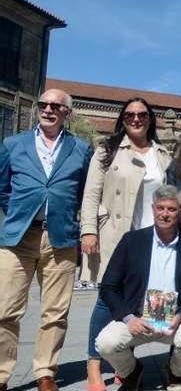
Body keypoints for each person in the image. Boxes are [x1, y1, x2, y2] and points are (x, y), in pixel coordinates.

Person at [0, 89, 92, 391]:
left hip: (61, 239)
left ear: (67, 112)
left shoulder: (81, 148)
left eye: (55, 106)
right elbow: (2, 188)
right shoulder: (13, 144)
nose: (48, 109)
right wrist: (18, 212)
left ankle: (45, 372)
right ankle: (1, 374)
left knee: (55, 311)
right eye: (44, 105)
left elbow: (82, 193)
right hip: (19, 237)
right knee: (5, 309)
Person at [80, 97, 173, 390]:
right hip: (116, 236)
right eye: (130, 114)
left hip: (154, 238)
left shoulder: (162, 153)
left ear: (151, 119)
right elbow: (91, 194)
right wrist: (88, 230)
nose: (136, 118)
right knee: (107, 300)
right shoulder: (106, 151)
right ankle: (94, 369)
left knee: (151, 298)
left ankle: (130, 368)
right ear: (122, 119)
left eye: (142, 114)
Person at [95, 185, 181, 391]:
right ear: (153, 208)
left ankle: (175, 373)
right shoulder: (132, 241)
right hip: (138, 318)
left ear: (180, 212)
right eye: (160, 208)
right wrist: (128, 318)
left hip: (175, 319)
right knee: (106, 343)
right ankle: (132, 371)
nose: (165, 214)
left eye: (171, 209)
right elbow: (109, 286)